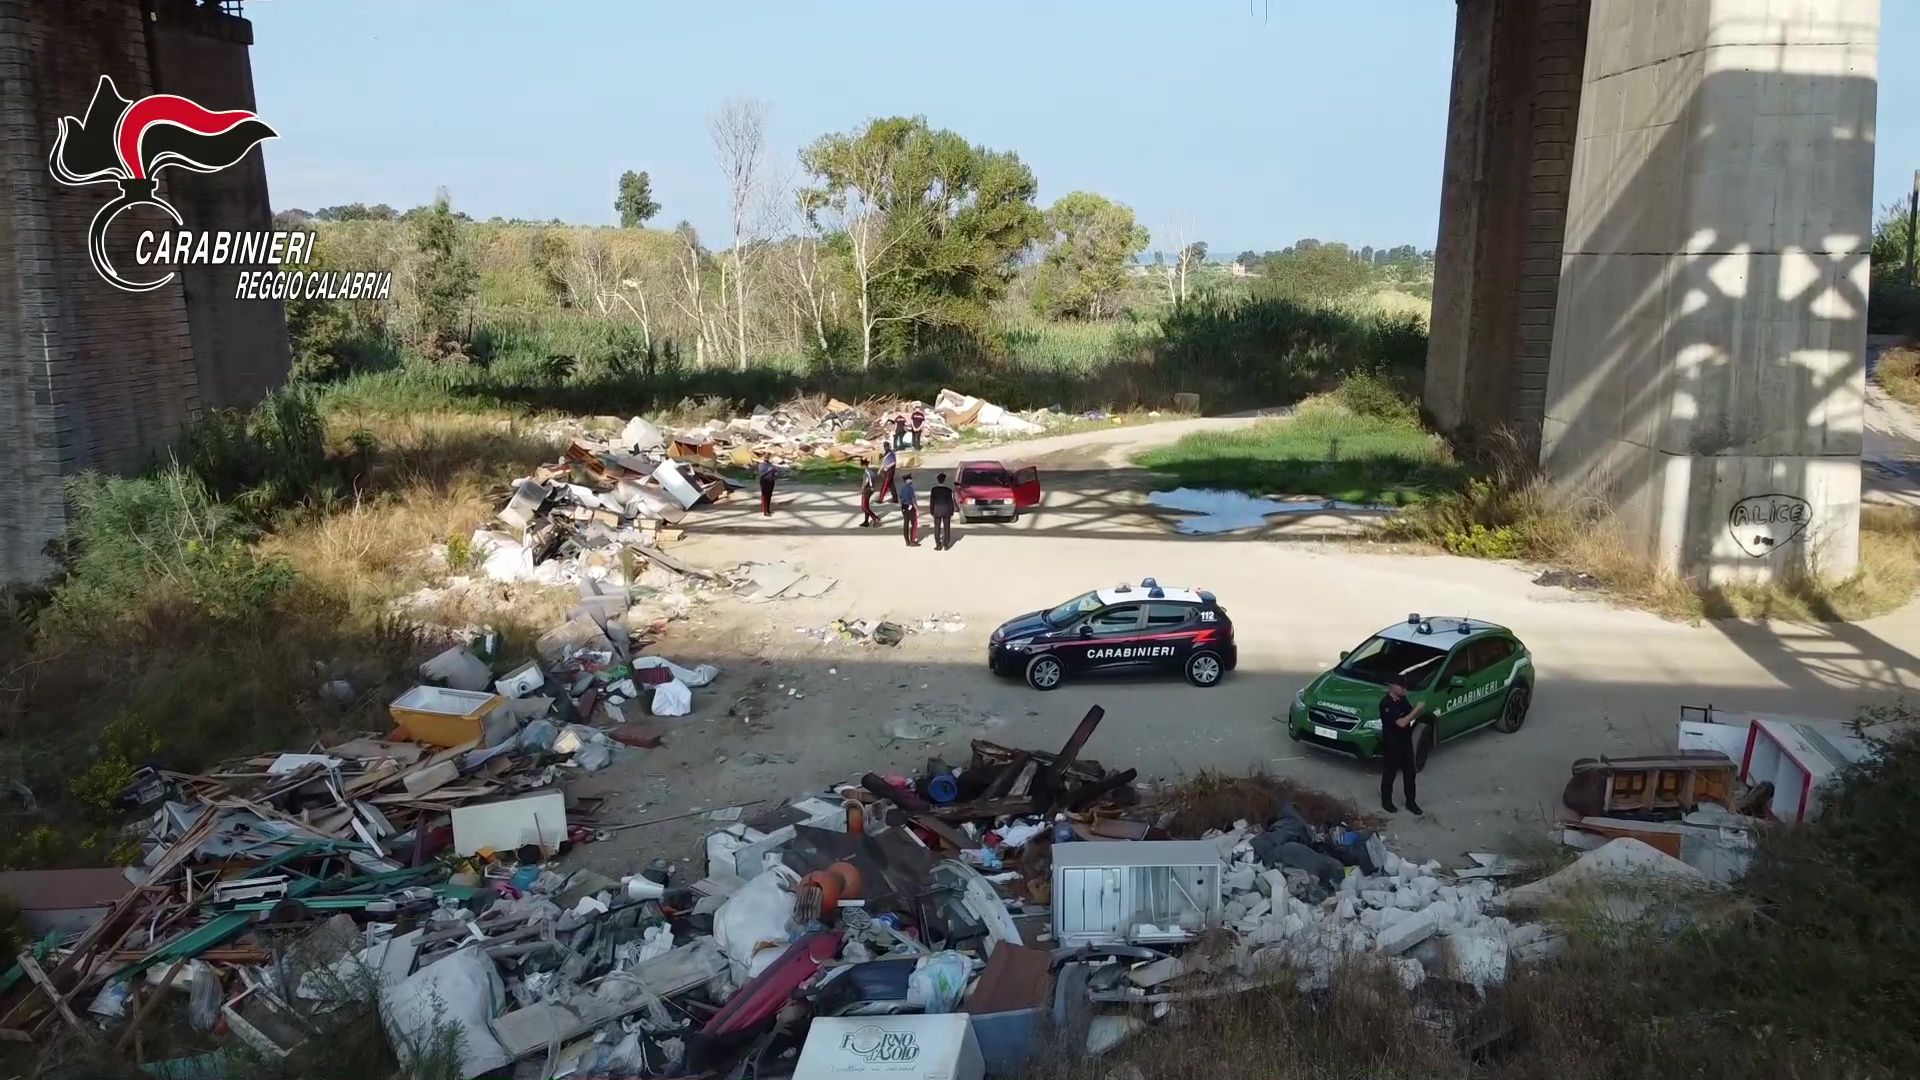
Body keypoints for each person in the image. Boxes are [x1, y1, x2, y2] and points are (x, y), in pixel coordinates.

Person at [1378, 682, 1427, 815]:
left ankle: (1411, 802)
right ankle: (1386, 801)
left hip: (1405, 742)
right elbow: (1401, 723)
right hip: (1392, 744)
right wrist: (1417, 709)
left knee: (1410, 773)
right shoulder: (1386, 704)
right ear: (1392, 687)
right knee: (1390, 773)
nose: (1404, 689)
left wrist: (1415, 712)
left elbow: (1410, 714)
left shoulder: (1402, 700)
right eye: (1401, 686)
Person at [928, 471, 957, 550]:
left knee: (937, 528)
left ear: (938, 480)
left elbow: (932, 501)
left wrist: (931, 510)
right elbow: (950, 502)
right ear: (944, 480)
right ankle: (946, 544)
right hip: (946, 510)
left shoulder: (934, 490)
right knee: (947, 528)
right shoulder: (948, 490)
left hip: (937, 510)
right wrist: (952, 511)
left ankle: (938, 544)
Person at [899, 473, 921, 547]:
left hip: (904, 507)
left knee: (906, 523)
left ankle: (907, 541)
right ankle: (912, 540)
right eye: (910, 479)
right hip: (910, 507)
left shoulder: (902, 488)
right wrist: (917, 509)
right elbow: (913, 500)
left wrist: (901, 505)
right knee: (913, 524)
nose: (911, 480)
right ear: (906, 480)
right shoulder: (910, 489)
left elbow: (900, 498)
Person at [858, 460, 882, 528]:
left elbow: (868, 480)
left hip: (867, 489)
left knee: (865, 507)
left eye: (861, 465)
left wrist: (869, 487)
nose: (861, 466)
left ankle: (875, 518)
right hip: (867, 489)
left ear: (864, 465)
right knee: (865, 506)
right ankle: (866, 522)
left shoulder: (868, 472)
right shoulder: (869, 471)